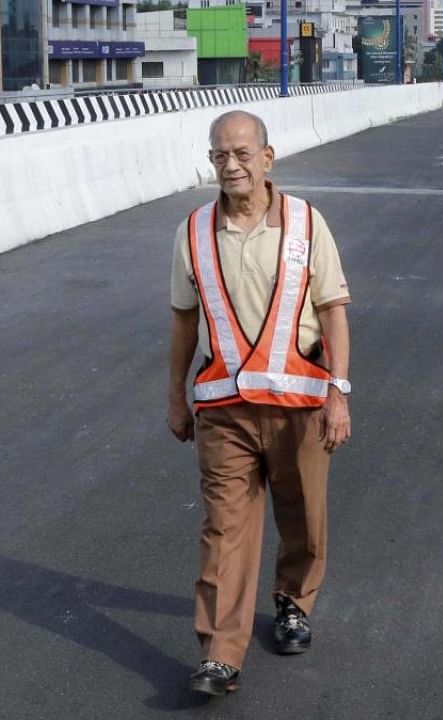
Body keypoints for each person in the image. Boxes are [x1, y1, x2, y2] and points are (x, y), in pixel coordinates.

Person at [168, 110, 352, 697]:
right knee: (224, 529)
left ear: (267, 159)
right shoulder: (193, 232)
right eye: (220, 155)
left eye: (243, 153)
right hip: (224, 408)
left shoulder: (305, 223)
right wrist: (175, 396)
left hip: (300, 404)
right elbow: (183, 321)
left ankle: (293, 600)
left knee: (304, 517)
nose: (231, 165)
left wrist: (338, 392)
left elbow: (333, 311)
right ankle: (220, 653)